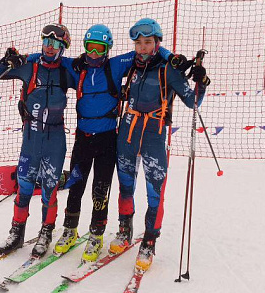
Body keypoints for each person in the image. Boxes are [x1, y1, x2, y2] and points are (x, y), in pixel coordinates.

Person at [30, 24, 173, 263]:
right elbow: (47, 56)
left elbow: (149, 52)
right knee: (76, 184)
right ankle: (70, 229)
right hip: (83, 137)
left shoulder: (116, 65)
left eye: (99, 48)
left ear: (107, 48)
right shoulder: (77, 68)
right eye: (90, 48)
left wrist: (171, 57)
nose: (94, 54)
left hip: (108, 139)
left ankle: (96, 233)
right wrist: (24, 58)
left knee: (101, 188)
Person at [111, 18, 209, 271]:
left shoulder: (169, 69)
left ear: (156, 43)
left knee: (155, 192)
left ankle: (149, 241)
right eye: (138, 43)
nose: (142, 48)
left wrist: (202, 80)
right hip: (127, 134)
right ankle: (125, 229)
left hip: (154, 135)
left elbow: (193, 101)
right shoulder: (130, 66)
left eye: (148, 42)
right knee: (125, 185)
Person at [0, 23, 77, 258]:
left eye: (55, 43)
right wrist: (9, 61)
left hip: (55, 139)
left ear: (63, 46)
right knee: (24, 187)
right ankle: (17, 232)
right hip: (31, 138)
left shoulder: (66, 70)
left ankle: (46, 232)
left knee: (49, 188)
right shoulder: (30, 66)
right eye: (46, 41)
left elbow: (93, 78)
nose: (49, 47)